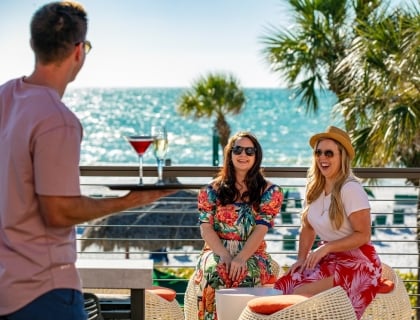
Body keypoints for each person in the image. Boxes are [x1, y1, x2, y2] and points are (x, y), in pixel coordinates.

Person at [0, 2, 174, 320]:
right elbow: (58, 211)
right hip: (42, 291)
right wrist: (128, 201)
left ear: (33, 45)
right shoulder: (58, 120)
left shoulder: (5, 96)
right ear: (79, 51)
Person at [274, 126, 381, 319]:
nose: (322, 158)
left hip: (358, 264)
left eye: (329, 153)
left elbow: (363, 235)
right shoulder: (313, 187)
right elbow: (307, 227)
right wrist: (301, 258)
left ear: (342, 157)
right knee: (284, 285)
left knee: (301, 293)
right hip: (329, 258)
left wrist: (326, 248)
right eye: (318, 152)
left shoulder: (351, 189)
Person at [192, 131, 283, 320]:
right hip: (216, 249)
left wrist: (241, 258)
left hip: (253, 251)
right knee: (216, 272)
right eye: (238, 150)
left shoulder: (270, 191)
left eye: (250, 151)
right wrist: (224, 255)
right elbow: (206, 227)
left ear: (256, 156)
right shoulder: (210, 190)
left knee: (248, 271)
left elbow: (261, 228)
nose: (243, 155)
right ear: (230, 154)